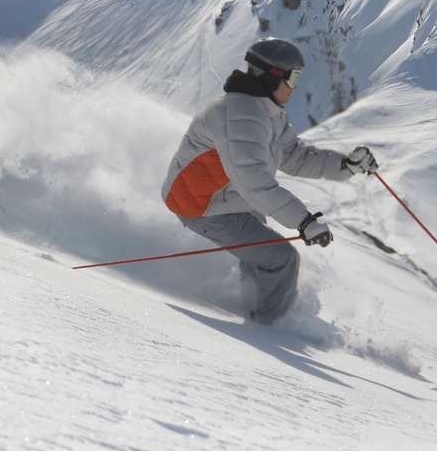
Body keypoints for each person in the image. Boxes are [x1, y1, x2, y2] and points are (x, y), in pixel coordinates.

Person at [161, 37, 378, 323]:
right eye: (293, 78)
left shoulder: (264, 112)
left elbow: (294, 156)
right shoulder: (241, 117)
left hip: (228, 197)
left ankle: (254, 306)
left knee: (265, 256)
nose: (295, 87)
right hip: (202, 205)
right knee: (281, 259)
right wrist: (304, 221)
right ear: (272, 76)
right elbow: (253, 181)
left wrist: (346, 166)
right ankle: (268, 330)